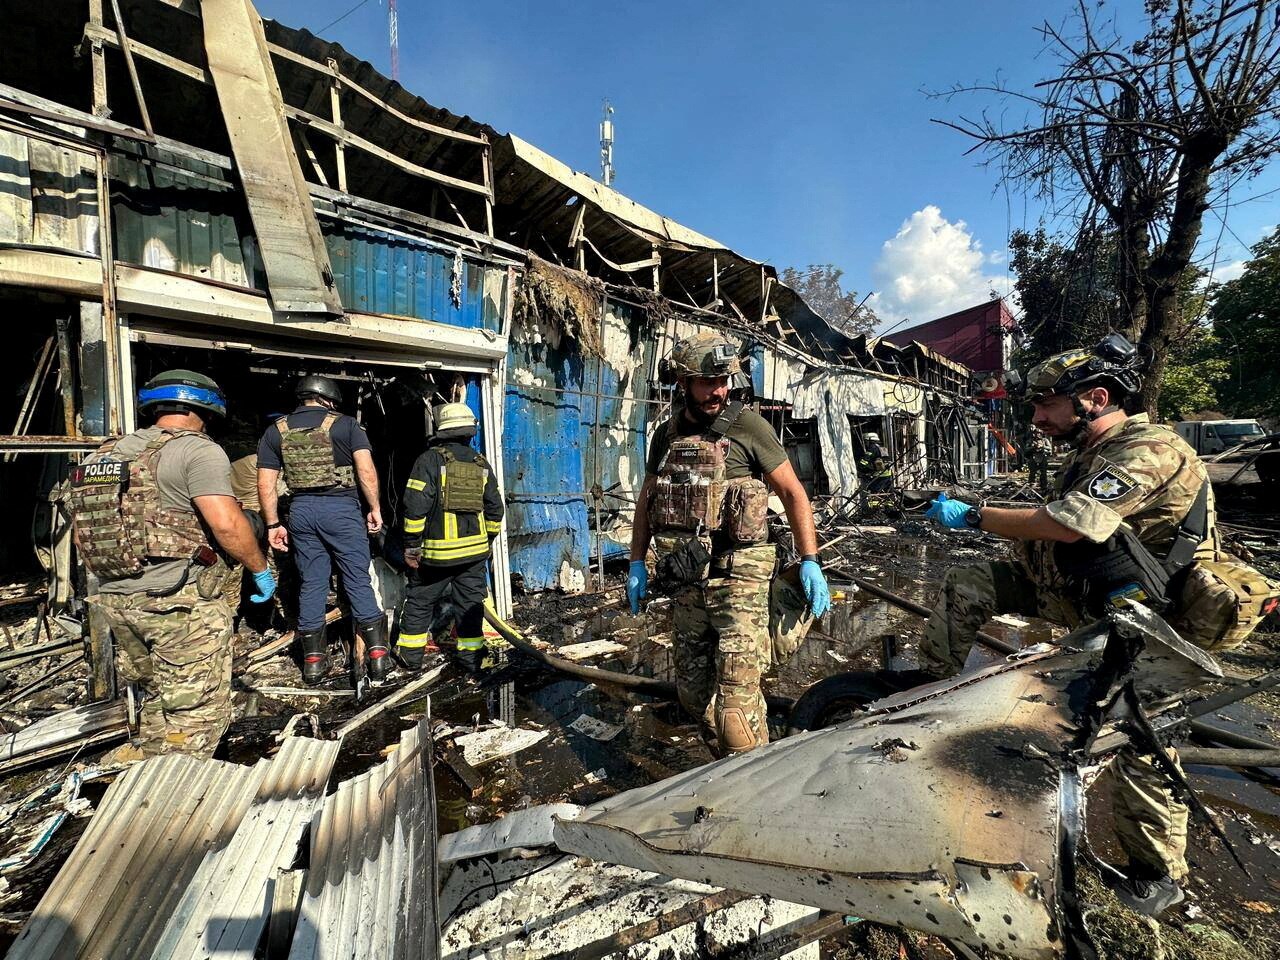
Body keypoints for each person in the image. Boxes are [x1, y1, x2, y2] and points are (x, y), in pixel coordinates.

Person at [918, 333, 1273, 917]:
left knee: (1143, 737)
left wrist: (977, 515)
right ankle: (920, 693)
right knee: (974, 582)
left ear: (1095, 397)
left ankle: (1158, 875)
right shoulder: (1093, 453)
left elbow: (1071, 526)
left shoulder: (1151, 450)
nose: (1036, 418)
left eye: (1046, 405)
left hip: (1151, 620)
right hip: (1083, 597)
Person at [628, 332, 831, 757]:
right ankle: (721, 770)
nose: (718, 390)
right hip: (686, 583)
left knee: (736, 711)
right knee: (693, 695)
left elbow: (794, 493)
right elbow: (648, 498)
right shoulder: (665, 435)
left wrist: (810, 558)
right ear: (682, 383)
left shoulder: (748, 426)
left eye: (723, 380)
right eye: (707, 382)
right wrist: (636, 563)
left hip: (739, 578)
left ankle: (754, 792)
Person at [70, 370, 275, 758]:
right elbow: (227, 524)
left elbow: (84, 527)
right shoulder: (197, 450)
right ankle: (183, 799)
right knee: (195, 715)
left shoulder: (104, 454)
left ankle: (148, 773)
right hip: (178, 604)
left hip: (116, 600)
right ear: (209, 408)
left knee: (157, 698)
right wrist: (258, 567)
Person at [256, 376, 388, 685]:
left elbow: (265, 484)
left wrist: (273, 523)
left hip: (301, 512)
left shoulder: (276, 431)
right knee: (357, 579)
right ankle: (378, 657)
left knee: (312, 583)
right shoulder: (346, 426)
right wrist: (375, 508)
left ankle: (313, 663)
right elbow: (365, 470)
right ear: (329, 398)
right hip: (341, 509)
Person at [397, 402, 504, 673]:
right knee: (469, 604)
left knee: (420, 600)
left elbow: (415, 505)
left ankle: (411, 658)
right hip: (474, 555)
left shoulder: (429, 460)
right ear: (470, 433)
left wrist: (411, 545)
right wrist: (486, 540)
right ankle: (470, 660)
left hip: (437, 556)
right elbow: (495, 508)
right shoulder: (481, 463)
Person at [1024, 429, 1053, 493]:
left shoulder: (1045, 440)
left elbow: (1050, 448)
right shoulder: (1030, 441)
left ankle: (1044, 487)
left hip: (1042, 457)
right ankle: (1031, 487)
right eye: (1036, 433)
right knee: (1032, 473)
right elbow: (1026, 449)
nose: (1037, 435)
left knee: (1043, 473)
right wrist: (1033, 447)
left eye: (1039, 433)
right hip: (1033, 457)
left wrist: (1043, 446)